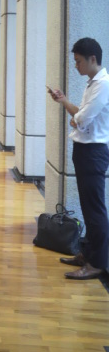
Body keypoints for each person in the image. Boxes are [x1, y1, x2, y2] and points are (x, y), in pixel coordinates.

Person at [48, 37, 109, 280]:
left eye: (78, 61)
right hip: (85, 151)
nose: (76, 66)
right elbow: (80, 116)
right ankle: (88, 255)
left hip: (93, 152)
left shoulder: (103, 85)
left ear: (92, 59)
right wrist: (64, 102)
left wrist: (77, 118)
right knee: (88, 207)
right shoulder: (92, 84)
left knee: (94, 210)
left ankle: (97, 263)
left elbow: (81, 120)